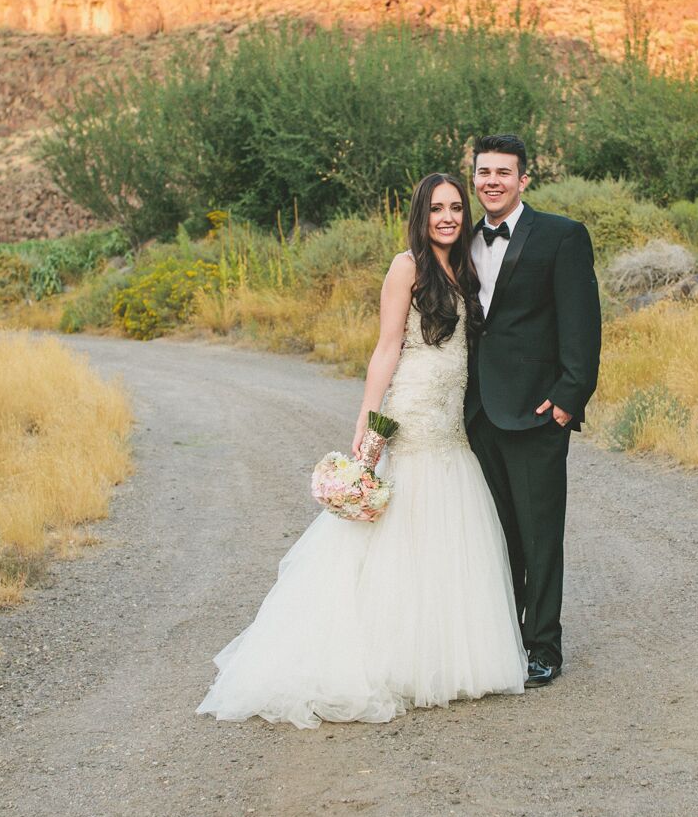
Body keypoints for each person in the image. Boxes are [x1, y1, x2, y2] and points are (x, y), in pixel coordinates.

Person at [197, 173, 526, 728]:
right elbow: (386, 345)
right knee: (406, 519)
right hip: (415, 406)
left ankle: (445, 652)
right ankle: (391, 652)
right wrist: (368, 419)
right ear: (420, 214)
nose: (447, 217)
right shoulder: (408, 266)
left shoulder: (466, 262)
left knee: (450, 521)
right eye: (436, 208)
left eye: (454, 207)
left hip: (454, 417)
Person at [465, 134, 601, 688]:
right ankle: (502, 640)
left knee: (540, 534)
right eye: (483, 172)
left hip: (537, 412)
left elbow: (583, 323)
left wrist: (570, 399)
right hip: (475, 414)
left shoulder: (562, 237)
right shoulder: (461, 240)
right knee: (494, 536)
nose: (491, 181)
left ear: (524, 180)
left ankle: (543, 645)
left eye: (503, 172)